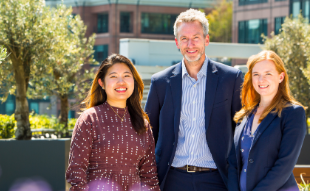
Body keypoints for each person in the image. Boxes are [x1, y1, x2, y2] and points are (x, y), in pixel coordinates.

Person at [145, 9, 243, 191]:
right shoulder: (160, 82)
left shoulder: (231, 79)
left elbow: (241, 133)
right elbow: (149, 135)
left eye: (196, 37)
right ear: (177, 42)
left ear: (206, 39)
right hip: (172, 179)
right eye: (184, 38)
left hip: (217, 179)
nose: (190, 44)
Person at [66, 54, 160, 191]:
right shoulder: (90, 119)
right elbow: (76, 171)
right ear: (101, 83)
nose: (121, 82)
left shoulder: (142, 124)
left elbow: (149, 176)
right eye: (113, 76)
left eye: (127, 76)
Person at [228, 50, 307, 191]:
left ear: (281, 76)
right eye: (256, 74)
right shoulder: (244, 115)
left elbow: (284, 165)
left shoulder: (293, 113)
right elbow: (234, 163)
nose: (261, 80)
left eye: (268, 74)